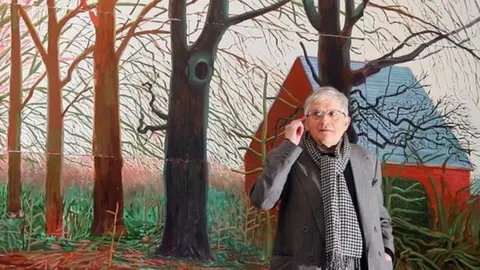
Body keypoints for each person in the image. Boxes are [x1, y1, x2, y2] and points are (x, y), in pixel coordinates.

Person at [249, 86, 394, 270]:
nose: (325, 121)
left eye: (333, 113)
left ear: (346, 122)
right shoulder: (291, 156)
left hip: (363, 265)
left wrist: (387, 252)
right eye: (316, 114)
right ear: (306, 122)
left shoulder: (366, 160)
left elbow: (380, 215)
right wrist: (289, 145)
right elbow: (262, 200)